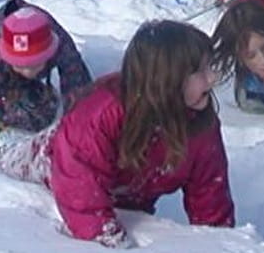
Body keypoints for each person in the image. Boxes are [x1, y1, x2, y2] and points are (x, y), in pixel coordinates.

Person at [47, 20, 234, 247]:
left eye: (209, 67)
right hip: (52, 162)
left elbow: (210, 195)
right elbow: (79, 189)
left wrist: (217, 244)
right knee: (8, 159)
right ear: (166, 80)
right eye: (200, 72)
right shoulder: (101, 113)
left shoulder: (201, 124)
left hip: (128, 194)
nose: (212, 78)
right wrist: (112, 241)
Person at [0, 0, 93, 133]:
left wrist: (78, 121)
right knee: (14, 118)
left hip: (18, 63)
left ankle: (24, 86)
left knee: (44, 115)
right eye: (20, 65)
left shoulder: (60, 43)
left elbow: (77, 81)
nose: (28, 71)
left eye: (35, 64)